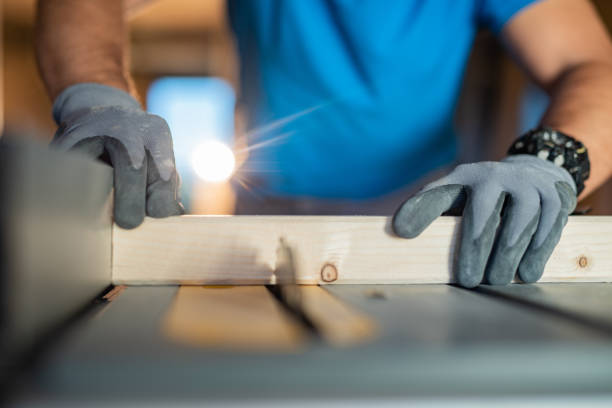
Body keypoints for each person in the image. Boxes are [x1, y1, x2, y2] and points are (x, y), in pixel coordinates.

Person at [35, 0, 612, 288]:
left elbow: (590, 62)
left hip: (431, 217)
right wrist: (97, 102)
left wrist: (549, 162)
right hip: (262, 219)